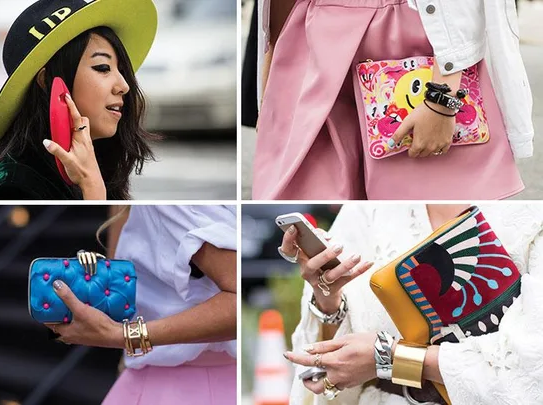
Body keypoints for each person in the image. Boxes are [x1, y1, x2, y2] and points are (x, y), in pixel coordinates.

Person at [252, 0, 533, 200]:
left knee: (428, 206)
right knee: (310, 199)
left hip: (408, 42)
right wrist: (274, 64)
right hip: (310, 42)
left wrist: (442, 98)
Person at [277, 204, 543, 404]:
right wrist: (328, 300)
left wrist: (391, 360)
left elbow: (532, 368)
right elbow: (327, 377)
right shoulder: (369, 209)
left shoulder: (527, 214)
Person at [46, 205, 237, 404]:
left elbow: (236, 297)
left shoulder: (166, 208)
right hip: (209, 380)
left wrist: (120, 335)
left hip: (169, 387)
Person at [0, 0, 158, 200]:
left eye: (122, 70)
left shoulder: (98, 164)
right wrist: (92, 188)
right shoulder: (12, 187)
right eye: (103, 68)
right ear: (46, 81)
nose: (124, 86)